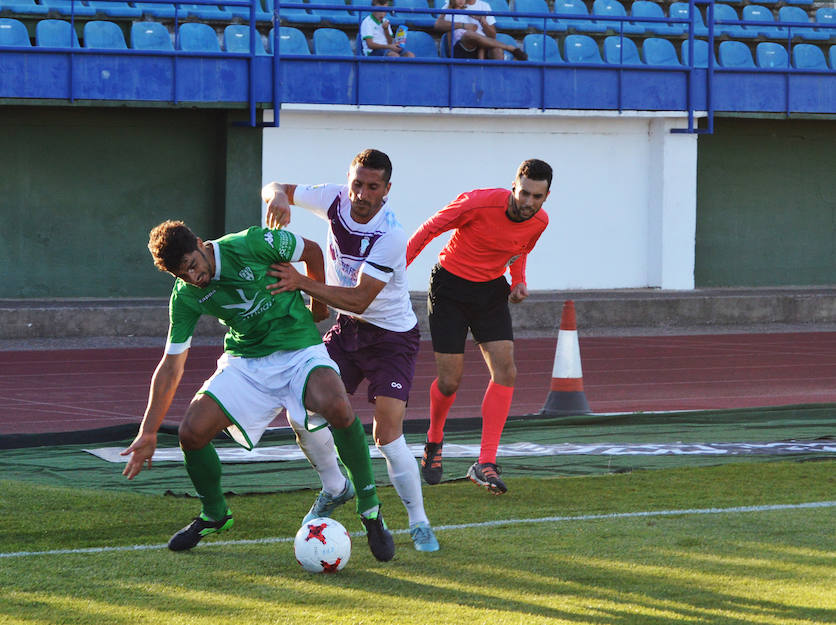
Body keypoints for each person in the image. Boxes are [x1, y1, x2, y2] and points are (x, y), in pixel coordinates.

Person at [121, 220, 395, 562]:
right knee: (191, 432)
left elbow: (310, 249)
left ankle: (369, 509)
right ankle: (214, 514)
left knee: (335, 405)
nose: (193, 278)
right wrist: (148, 431)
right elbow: (172, 364)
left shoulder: (252, 244)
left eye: (192, 265)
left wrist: (318, 301)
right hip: (247, 362)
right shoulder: (186, 295)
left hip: (298, 347)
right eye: (181, 275)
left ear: (202, 244)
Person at [262, 148, 439, 552]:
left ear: (386, 190)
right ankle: (335, 487)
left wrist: (302, 282)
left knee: (387, 435)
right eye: (356, 183)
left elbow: (360, 298)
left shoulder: (391, 235)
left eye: (371, 187)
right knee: (302, 409)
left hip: (391, 337)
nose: (361, 193)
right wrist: (276, 196)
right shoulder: (334, 197)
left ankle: (419, 521)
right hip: (347, 330)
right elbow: (276, 185)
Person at [405, 158, 553, 495]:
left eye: (537, 197)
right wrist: (394, 270)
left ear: (546, 196)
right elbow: (429, 229)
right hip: (450, 287)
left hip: (490, 290)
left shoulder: (539, 221)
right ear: (514, 186)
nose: (528, 202)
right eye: (524, 193)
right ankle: (434, 440)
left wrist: (518, 281)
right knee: (450, 380)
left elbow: (520, 250)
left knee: (507, 371)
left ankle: (485, 461)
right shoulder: (478, 202)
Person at [434, 0, 526, 60]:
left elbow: (492, 36)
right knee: (469, 34)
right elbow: (438, 26)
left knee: (497, 51)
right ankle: (509, 48)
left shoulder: (484, 6)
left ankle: (499, 81)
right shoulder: (450, 6)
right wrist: (463, 25)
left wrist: (483, 21)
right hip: (462, 46)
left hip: (481, 45)